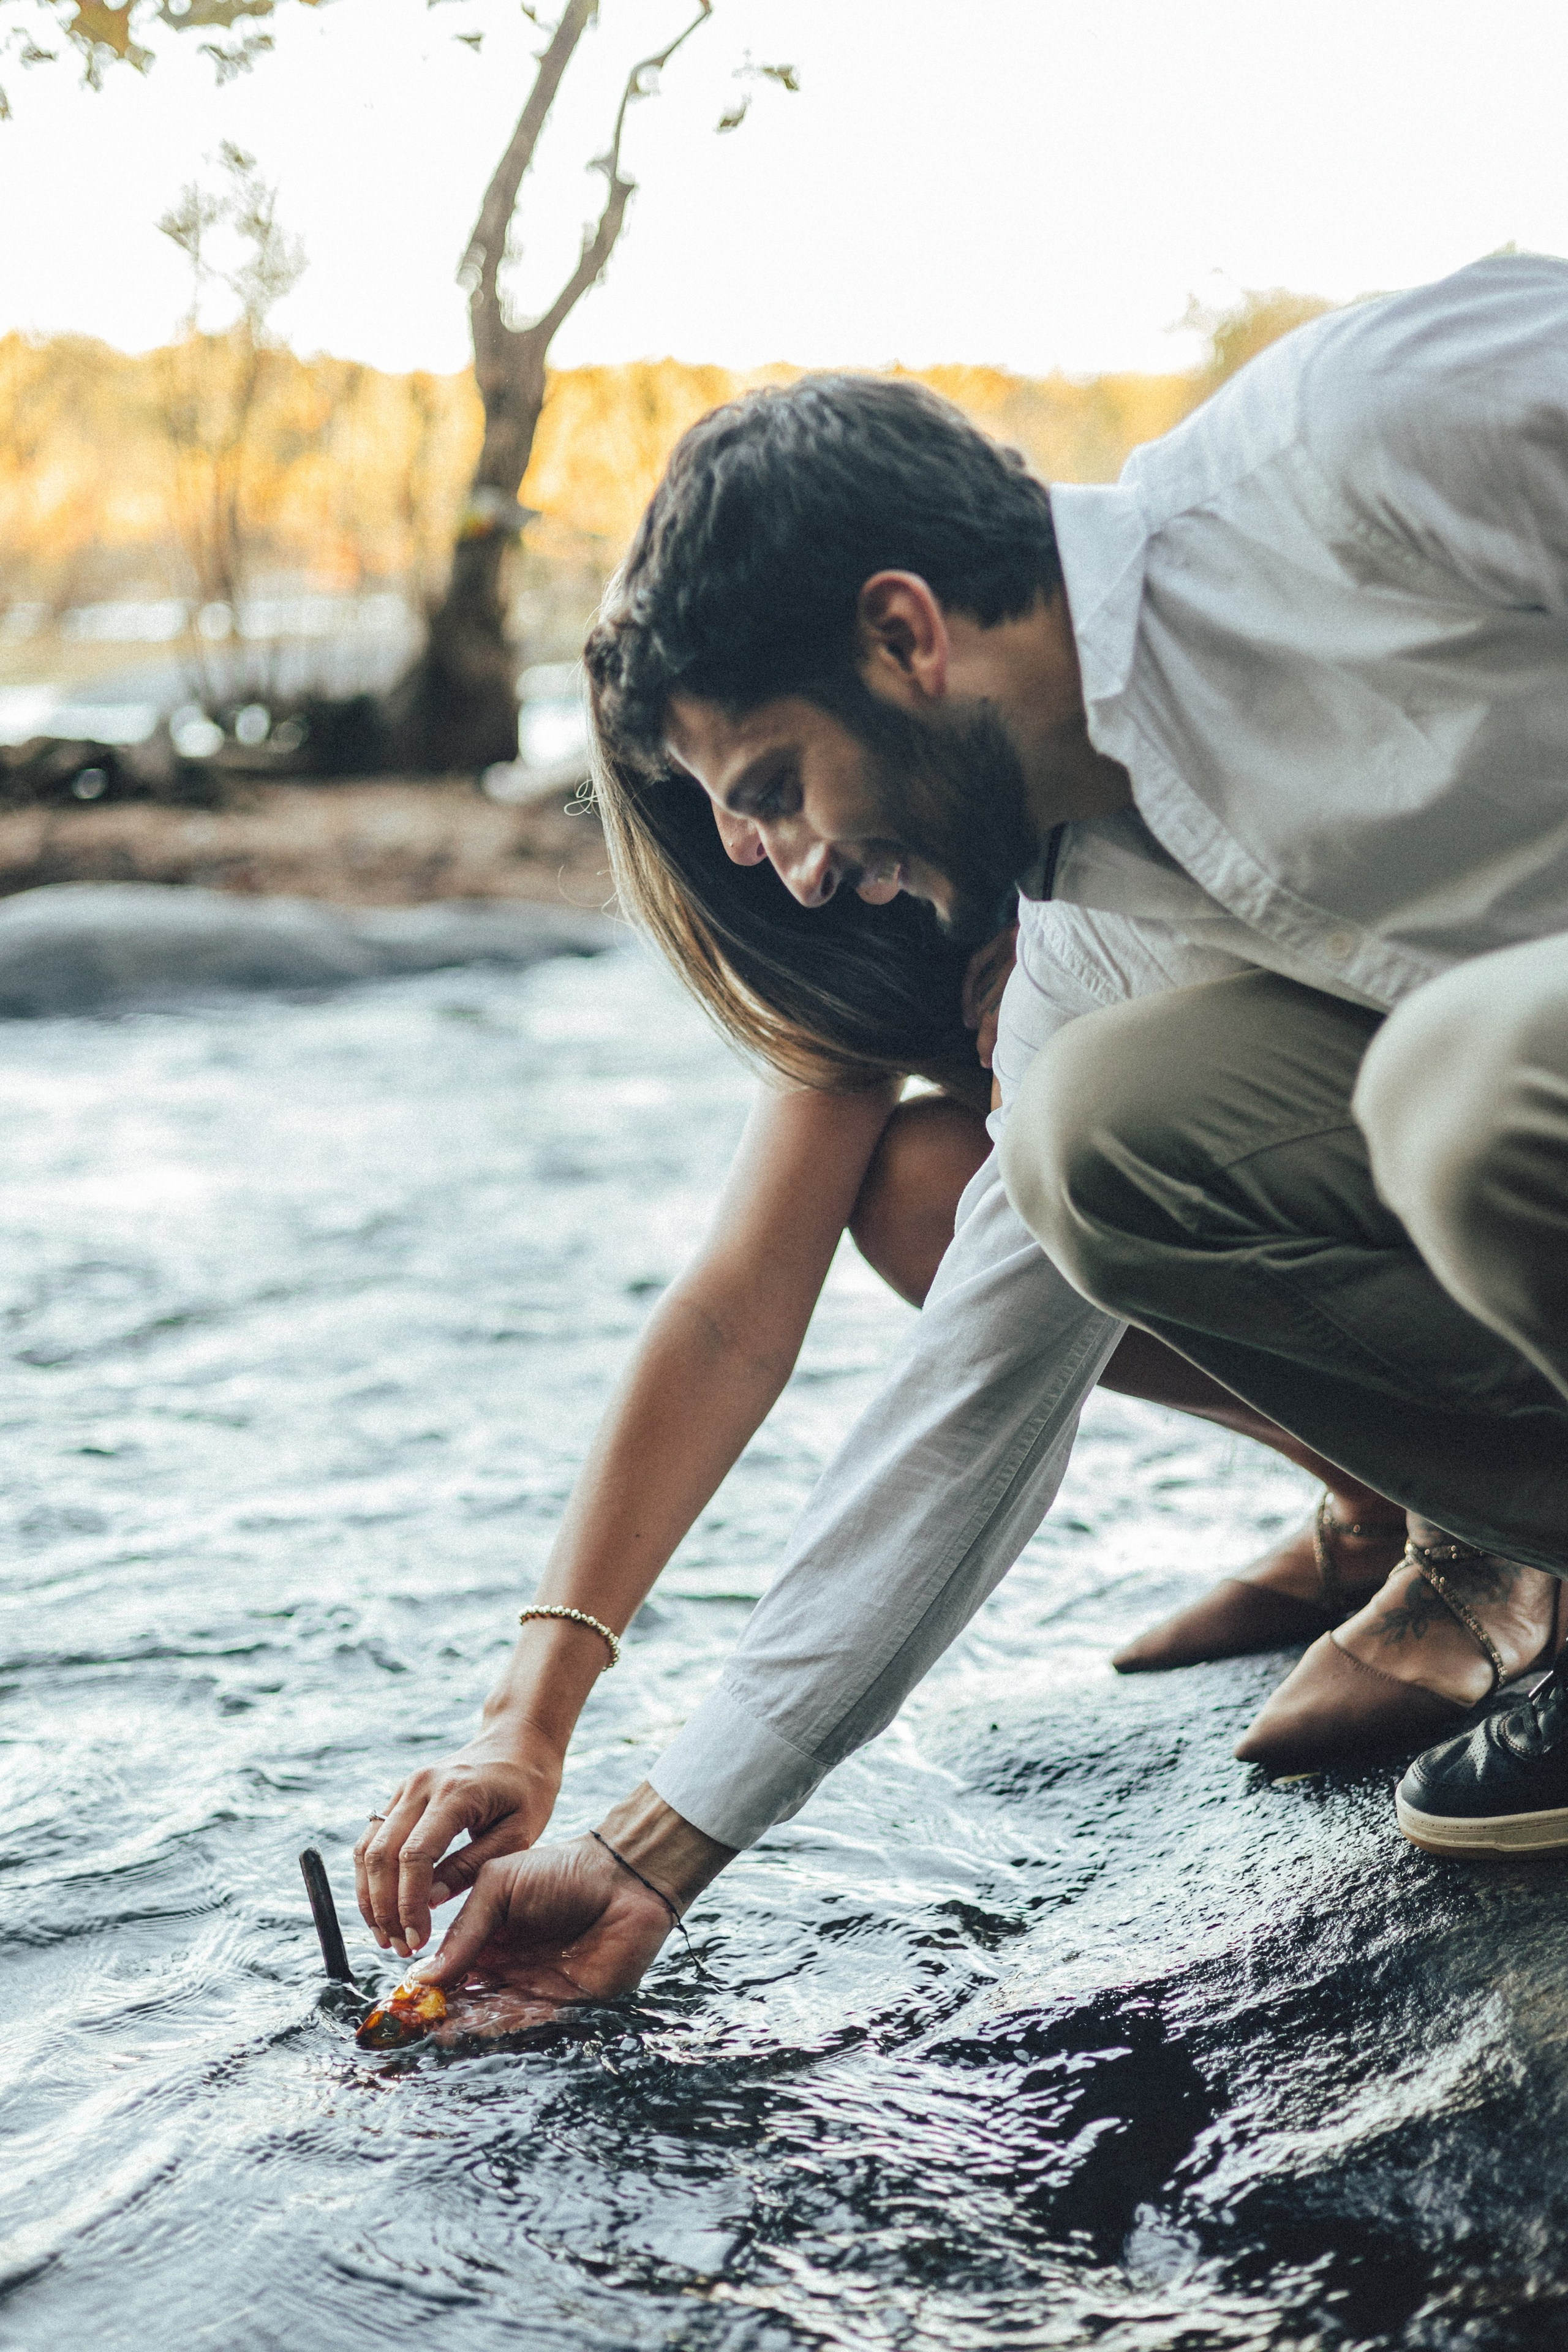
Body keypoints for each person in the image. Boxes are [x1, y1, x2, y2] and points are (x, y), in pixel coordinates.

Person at [383, 252, 1568, 2024]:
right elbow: (963, 1411)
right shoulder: (1080, 951)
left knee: (1462, 1083)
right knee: (1092, 1140)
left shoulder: (1370, 434)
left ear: (906, 635)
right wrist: (646, 1852)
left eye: (774, 788)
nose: (781, 864)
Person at [353, 820, 1405, 1972]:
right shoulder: (823, 889)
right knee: (921, 1188)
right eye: (726, 817)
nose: (778, 857)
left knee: (1073, 1129)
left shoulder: (1094, 814)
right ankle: (1376, 1495)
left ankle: (1486, 1521)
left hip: (1421, 1097)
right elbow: (732, 1312)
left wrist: (656, 1845)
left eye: (771, 789)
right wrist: (529, 1719)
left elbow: (991, 1376)